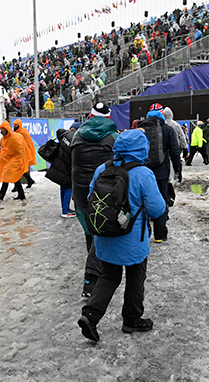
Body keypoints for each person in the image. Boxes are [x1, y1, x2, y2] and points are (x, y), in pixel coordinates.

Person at [77, 129, 167, 342]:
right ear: (142, 149)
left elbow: (92, 198)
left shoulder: (102, 168)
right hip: (133, 240)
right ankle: (132, 319)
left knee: (109, 276)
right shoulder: (143, 173)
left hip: (105, 236)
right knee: (136, 278)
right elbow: (157, 209)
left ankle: (90, 315)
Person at [71, 102, 119, 297]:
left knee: (90, 232)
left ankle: (95, 272)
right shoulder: (114, 138)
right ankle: (92, 280)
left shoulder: (76, 136)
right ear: (108, 117)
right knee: (100, 233)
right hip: (103, 193)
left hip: (80, 193)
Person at [143, 103, 182, 242]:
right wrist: (178, 169)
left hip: (144, 172)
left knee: (143, 200)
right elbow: (174, 152)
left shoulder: (141, 129)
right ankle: (160, 234)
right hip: (161, 172)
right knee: (161, 200)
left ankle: (144, 232)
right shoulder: (168, 129)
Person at [43, 128, 75, 217]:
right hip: (66, 170)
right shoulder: (69, 141)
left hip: (61, 169)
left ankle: (66, 209)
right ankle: (65, 211)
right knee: (68, 189)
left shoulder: (62, 141)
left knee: (64, 189)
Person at [0, 121, 28, 200]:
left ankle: (1, 194)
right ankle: (21, 194)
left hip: (15, 160)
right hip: (9, 160)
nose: (1, 130)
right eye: (1, 129)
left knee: (8, 176)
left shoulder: (14, 138)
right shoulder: (3, 139)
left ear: (7, 129)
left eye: (3, 129)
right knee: (14, 178)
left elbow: (19, 149)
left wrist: (20, 160)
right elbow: (4, 148)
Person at [12, 119, 37, 188]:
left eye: (16, 125)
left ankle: (19, 185)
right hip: (17, 152)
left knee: (21, 169)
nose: (15, 126)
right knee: (20, 170)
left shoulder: (23, 131)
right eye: (14, 125)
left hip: (23, 153)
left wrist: (29, 152)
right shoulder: (14, 132)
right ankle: (29, 181)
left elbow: (28, 142)